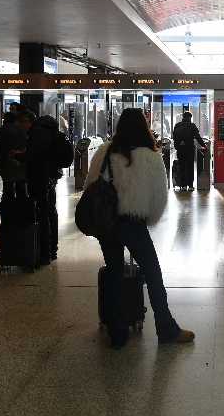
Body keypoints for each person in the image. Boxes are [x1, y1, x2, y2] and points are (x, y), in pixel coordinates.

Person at [85, 108, 195, 347]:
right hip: (133, 223)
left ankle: (117, 333)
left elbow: (89, 186)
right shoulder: (151, 157)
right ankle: (166, 329)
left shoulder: (104, 152)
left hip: (107, 223)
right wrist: (146, 215)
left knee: (113, 273)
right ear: (143, 127)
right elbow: (158, 201)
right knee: (153, 274)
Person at [25, 115, 72, 265]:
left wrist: (20, 156)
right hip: (51, 178)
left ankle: (43, 253)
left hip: (39, 178)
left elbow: (33, 156)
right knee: (51, 211)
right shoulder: (53, 133)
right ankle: (52, 250)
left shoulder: (37, 133)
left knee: (42, 214)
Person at [172, 111, 206, 191]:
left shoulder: (177, 125)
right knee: (190, 166)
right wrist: (204, 145)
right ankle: (190, 185)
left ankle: (183, 186)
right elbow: (198, 137)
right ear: (190, 117)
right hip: (190, 149)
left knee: (182, 166)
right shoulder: (192, 126)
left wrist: (177, 147)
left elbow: (174, 137)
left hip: (180, 149)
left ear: (183, 117)